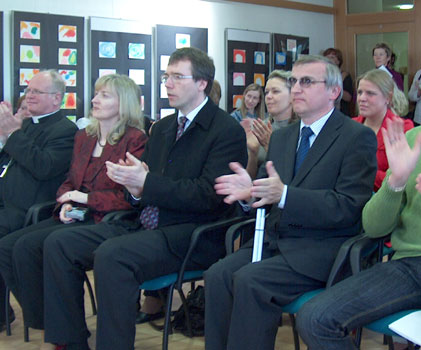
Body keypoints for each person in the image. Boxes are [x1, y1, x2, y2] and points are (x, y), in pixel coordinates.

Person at [297, 41, 421, 350]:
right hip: (407, 264)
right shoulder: (412, 139)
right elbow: (374, 227)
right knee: (314, 317)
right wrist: (396, 182)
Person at [41, 47, 247, 350]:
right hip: (146, 223)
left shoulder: (225, 129)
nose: (168, 84)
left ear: (202, 83)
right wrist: (135, 189)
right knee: (59, 244)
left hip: (192, 233)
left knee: (113, 255)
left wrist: (146, 183)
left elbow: (207, 196)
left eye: (178, 77)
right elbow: (142, 188)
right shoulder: (163, 128)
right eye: (166, 76)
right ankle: (71, 343)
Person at [204, 54, 377, 350]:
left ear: (334, 91)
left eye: (307, 82)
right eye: (293, 81)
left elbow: (348, 206)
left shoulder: (355, 137)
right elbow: (271, 194)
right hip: (274, 241)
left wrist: (284, 195)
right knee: (217, 275)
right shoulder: (283, 138)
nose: (296, 88)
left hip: (320, 248)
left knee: (249, 281)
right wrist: (251, 193)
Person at [0, 74, 147, 341]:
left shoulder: (134, 139)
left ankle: (66, 335)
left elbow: (129, 197)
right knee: (14, 246)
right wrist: (66, 201)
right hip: (77, 214)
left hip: (109, 219)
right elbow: (69, 180)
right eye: (95, 94)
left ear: (123, 102)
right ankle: (49, 324)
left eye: (104, 95)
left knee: (55, 243)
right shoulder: (84, 136)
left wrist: (84, 200)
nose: (94, 99)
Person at [0, 70, 78, 331]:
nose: (29, 96)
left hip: (31, 210)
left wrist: (13, 134)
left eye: (36, 92)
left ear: (57, 99)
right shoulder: (26, 125)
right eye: (28, 91)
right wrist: (5, 137)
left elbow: (43, 166)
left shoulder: (65, 130)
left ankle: (37, 317)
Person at [354, 69, 413, 191]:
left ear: (388, 97)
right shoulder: (350, 125)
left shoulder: (403, 128)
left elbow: (402, 178)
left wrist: (359, 172)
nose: (362, 98)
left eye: (370, 93)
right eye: (360, 92)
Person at [245, 70, 298, 178]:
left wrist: (269, 146)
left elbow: (293, 178)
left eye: (275, 91)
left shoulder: (302, 130)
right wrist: (253, 154)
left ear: (292, 96)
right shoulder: (260, 127)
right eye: (267, 92)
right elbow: (250, 179)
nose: (268, 97)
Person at [323, 48, 354, 116]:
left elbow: (348, 98)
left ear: (338, 61)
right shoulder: (321, 76)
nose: (328, 59)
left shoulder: (345, 75)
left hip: (341, 113)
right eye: (326, 57)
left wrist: (334, 87)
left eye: (332, 57)